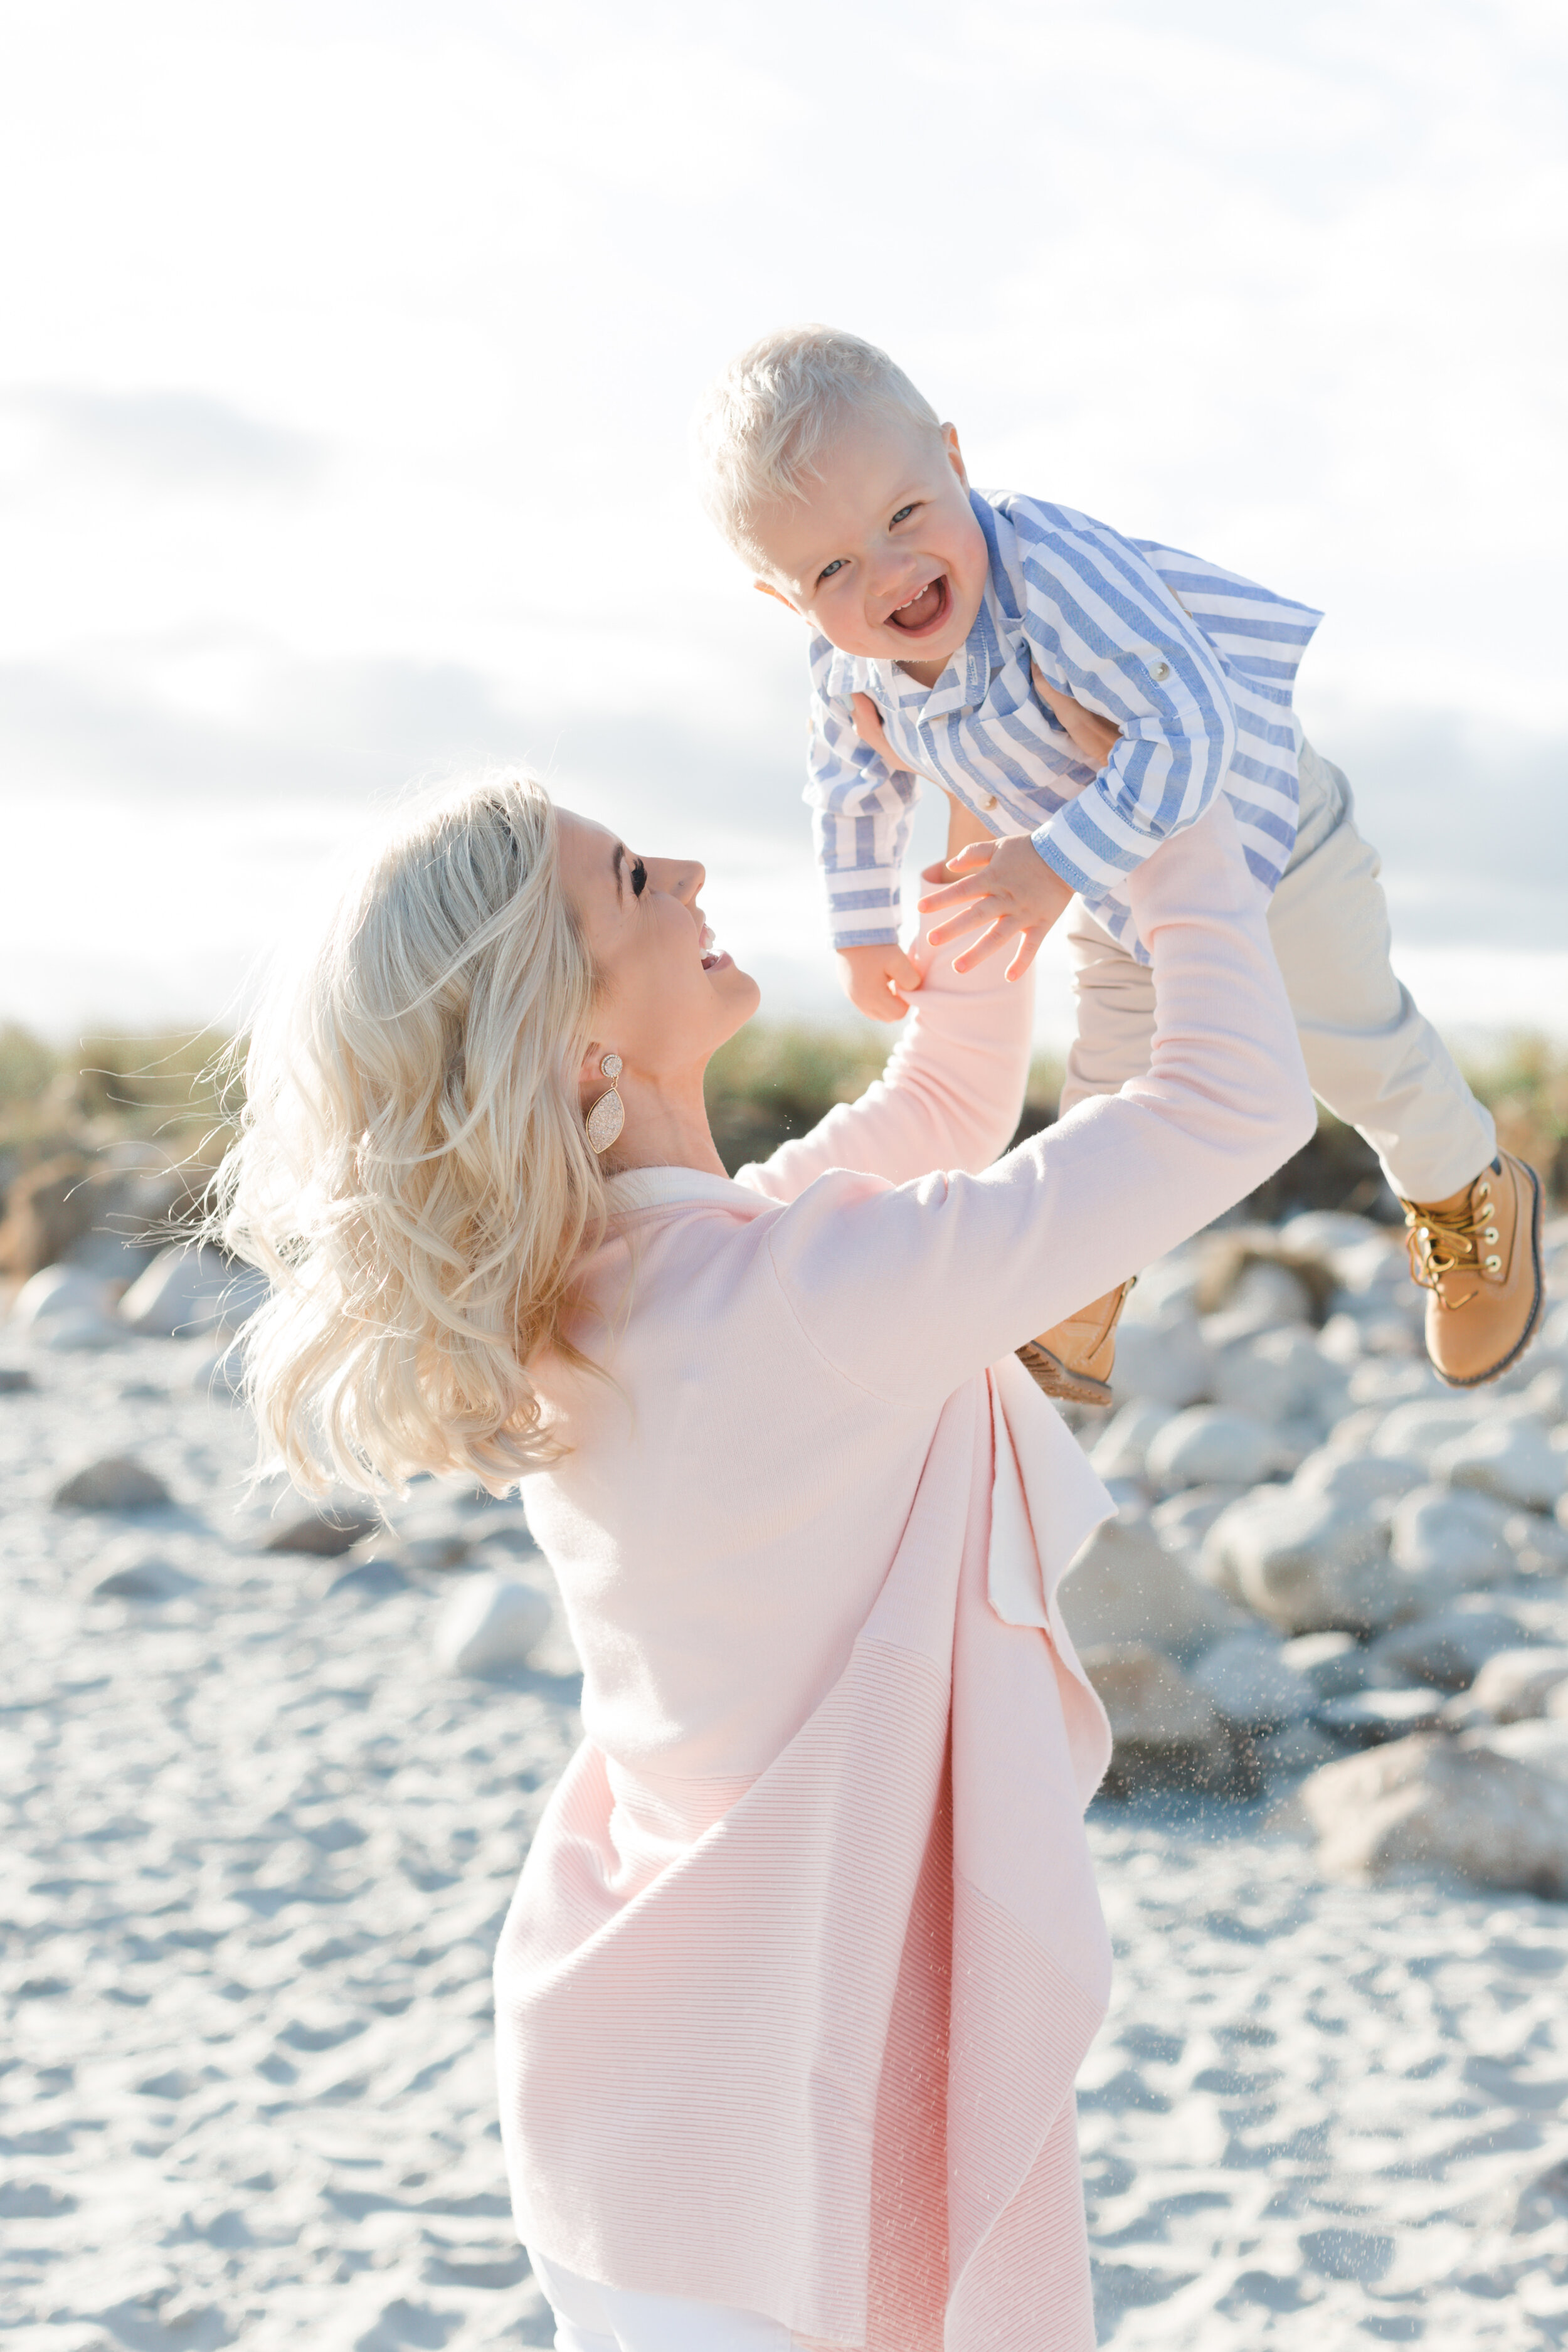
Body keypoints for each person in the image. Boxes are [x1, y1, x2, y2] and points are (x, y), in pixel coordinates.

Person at [213, 763, 1313, 2351]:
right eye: (637, 883)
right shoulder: (793, 1292)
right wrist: (1171, 801)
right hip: (740, 2151)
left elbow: (940, 1102)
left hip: (638, 2101)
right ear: (571, 1028)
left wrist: (972, 819)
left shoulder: (618, 1283)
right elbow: (1236, 1100)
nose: (690, 866)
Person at [690, 324, 1545, 1406]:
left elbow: (1192, 724)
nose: (892, 573)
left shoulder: (1057, 573)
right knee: (1111, 1087)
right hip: (1115, 883)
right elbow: (856, 782)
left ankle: (1470, 1192)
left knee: (1356, 1049)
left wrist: (1051, 863)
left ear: (955, 458)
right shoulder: (843, 660)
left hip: (1273, 843)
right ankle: (1075, 1295)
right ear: (784, 598)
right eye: (833, 568)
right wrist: (863, 929)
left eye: (905, 514)